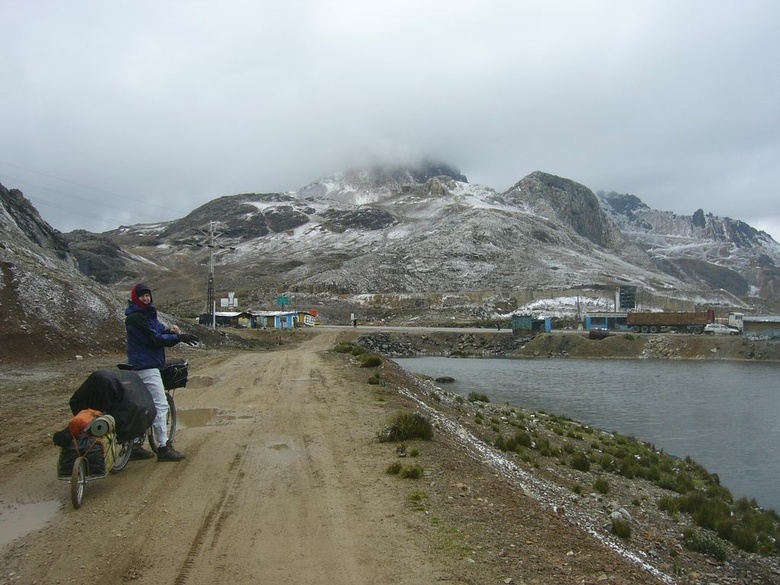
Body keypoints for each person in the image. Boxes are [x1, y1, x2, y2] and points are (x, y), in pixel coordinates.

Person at [125, 282, 199, 462]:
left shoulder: (146, 314)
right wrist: (178, 338)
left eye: (147, 295)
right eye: (142, 295)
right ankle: (164, 447)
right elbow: (155, 339)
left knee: (142, 405)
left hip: (141, 363)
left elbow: (158, 329)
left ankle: (134, 445)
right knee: (160, 404)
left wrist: (170, 330)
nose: (146, 298)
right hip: (146, 366)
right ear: (136, 297)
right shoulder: (136, 317)